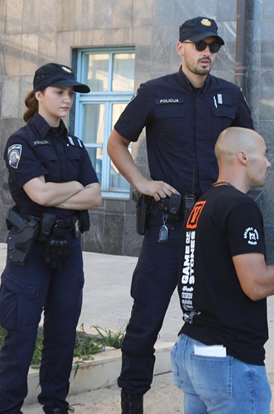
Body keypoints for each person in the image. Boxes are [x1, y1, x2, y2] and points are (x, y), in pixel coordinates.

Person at [106, 16, 254, 412]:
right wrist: (141, 182)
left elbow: (250, 151)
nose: (207, 53)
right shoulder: (154, 93)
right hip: (167, 227)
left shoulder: (230, 95)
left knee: (214, 319)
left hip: (213, 229)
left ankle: (207, 394)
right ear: (181, 47)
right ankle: (132, 399)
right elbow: (117, 142)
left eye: (213, 47)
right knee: (145, 320)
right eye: (199, 45)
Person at [171, 127, 274, 414]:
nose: (269, 163)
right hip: (227, 357)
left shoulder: (202, 204)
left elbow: (220, 275)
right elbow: (255, 285)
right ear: (243, 157)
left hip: (193, 348)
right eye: (265, 154)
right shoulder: (240, 206)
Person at [0, 63, 102, 414]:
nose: (67, 99)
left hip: (68, 247)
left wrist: (59, 192)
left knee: (63, 332)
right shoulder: (21, 141)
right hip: (31, 250)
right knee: (21, 332)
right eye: (59, 92)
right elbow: (38, 194)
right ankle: (8, 408)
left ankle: (55, 405)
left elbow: (96, 195)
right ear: (39, 95)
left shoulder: (75, 142)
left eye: (70, 93)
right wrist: (73, 187)